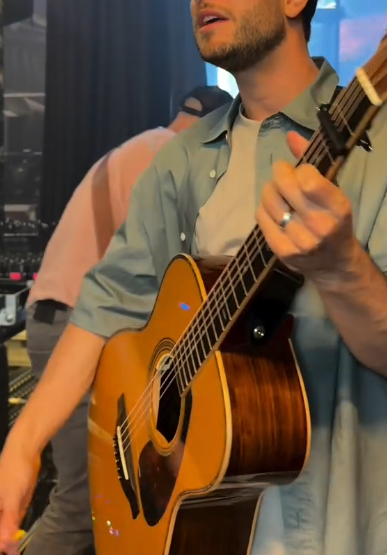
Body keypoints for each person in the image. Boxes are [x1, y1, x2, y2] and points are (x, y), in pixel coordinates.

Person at [0, 0, 387, 555]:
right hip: (199, 525)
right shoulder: (179, 161)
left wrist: (342, 267)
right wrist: (22, 446)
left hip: (358, 532)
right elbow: (105, 307)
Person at [23, 84, 232, 555]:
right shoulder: (165, 155)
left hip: (59, 315)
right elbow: (170, 277)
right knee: (82, 505)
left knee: (100, 502)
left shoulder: (140, 146)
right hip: (76, 325)